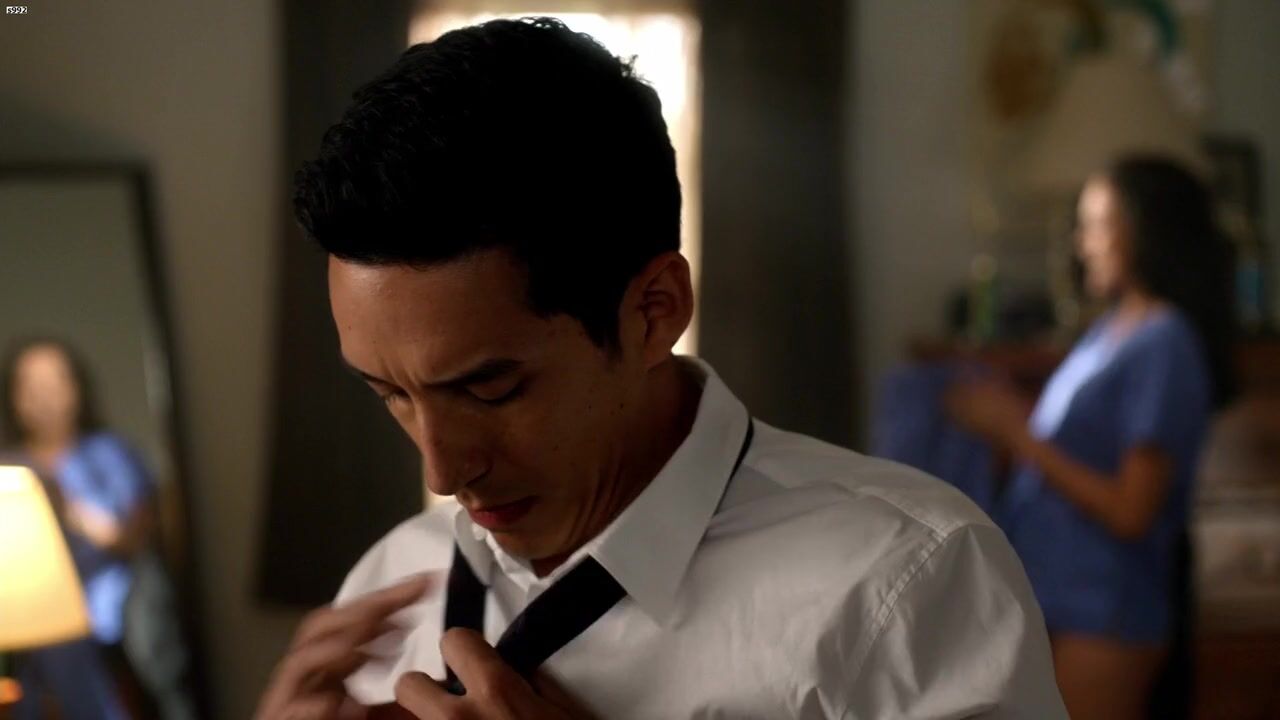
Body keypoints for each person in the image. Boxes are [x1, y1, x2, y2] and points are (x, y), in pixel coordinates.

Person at [256, 17, 1066, 719]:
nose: (442, 472)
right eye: (391, 394)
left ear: (654, 311)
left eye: (490, 387)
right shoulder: (390, 583)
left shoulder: (907, 585)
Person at [947, 156, 1234, 720]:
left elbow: (1132, 510)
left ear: (1146, 232)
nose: (1083, 244)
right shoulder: (1110, 330)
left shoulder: (1165, 341)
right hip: (1053, 596)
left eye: (1098, 225)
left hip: (1105, 610)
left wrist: (1016, 433)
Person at [1, 339, 199, 720]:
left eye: (54, 382)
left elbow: (133, 537)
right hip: (24, 613)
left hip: (110, 612)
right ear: (13, 396)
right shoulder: (7, 468)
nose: (44, 397)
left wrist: (67, 508)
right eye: (30, 385)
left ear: (76, 388)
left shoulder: (109, 455)